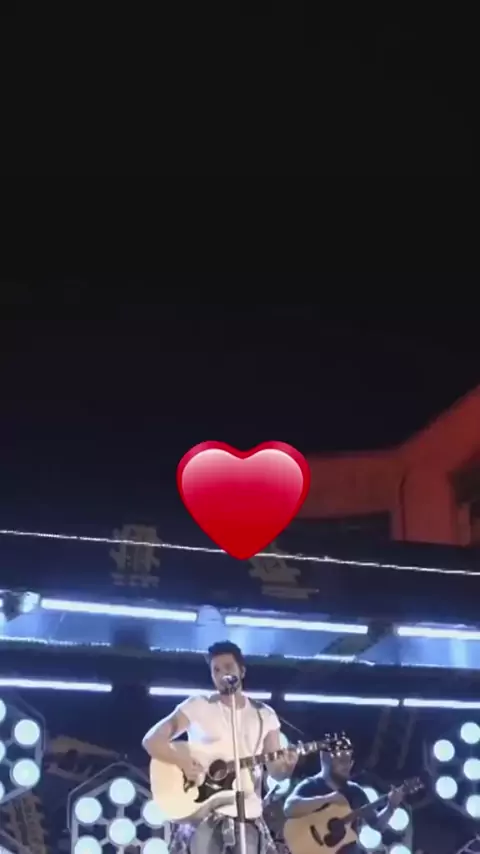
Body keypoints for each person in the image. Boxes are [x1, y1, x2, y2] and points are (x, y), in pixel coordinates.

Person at [143, 640, 298, 854]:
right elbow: (152, 740)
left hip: (247, 814)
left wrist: (287, 767)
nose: (222, 673)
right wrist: (183, 762)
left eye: (228, 667)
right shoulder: (197, 705)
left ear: (242, 671)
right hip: (203, 811)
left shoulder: (265, 714)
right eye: (215, 670)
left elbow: (276, 771)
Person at [283, 745, 404, 854]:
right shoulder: (312, 785)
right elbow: (289, 808)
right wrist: (329, 798)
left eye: (348, 761)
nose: (346, 766)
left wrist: (391, 807)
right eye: (341, 760)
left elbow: (378, 825)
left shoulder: (355, 792)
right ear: (326, 760)